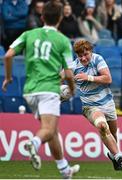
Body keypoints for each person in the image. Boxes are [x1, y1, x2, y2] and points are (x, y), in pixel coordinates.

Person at [2, 1, 80, 179]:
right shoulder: (62, 40)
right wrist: (72, 89)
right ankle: (34, 143)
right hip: (49, 90)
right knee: (48, 130)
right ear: (60, 19)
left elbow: (8, 55)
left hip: (29, 90)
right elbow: (68, 73)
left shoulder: (28, 34)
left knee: (52, 129)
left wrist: (8, 77)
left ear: (42, 17)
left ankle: (64, 170)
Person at [72, 39, 122, 171]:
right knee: (102, 126)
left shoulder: (98, 59)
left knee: (113, 133)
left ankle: (113, 155)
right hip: (90, 107)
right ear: (77, 56)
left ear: (91, 52)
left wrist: (88, 77)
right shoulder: (73, 67)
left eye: (86, 54)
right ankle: (118, 155)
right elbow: (60, 76)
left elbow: (108, 78)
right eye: (80, 56)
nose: (83, 58)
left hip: (108, 103)